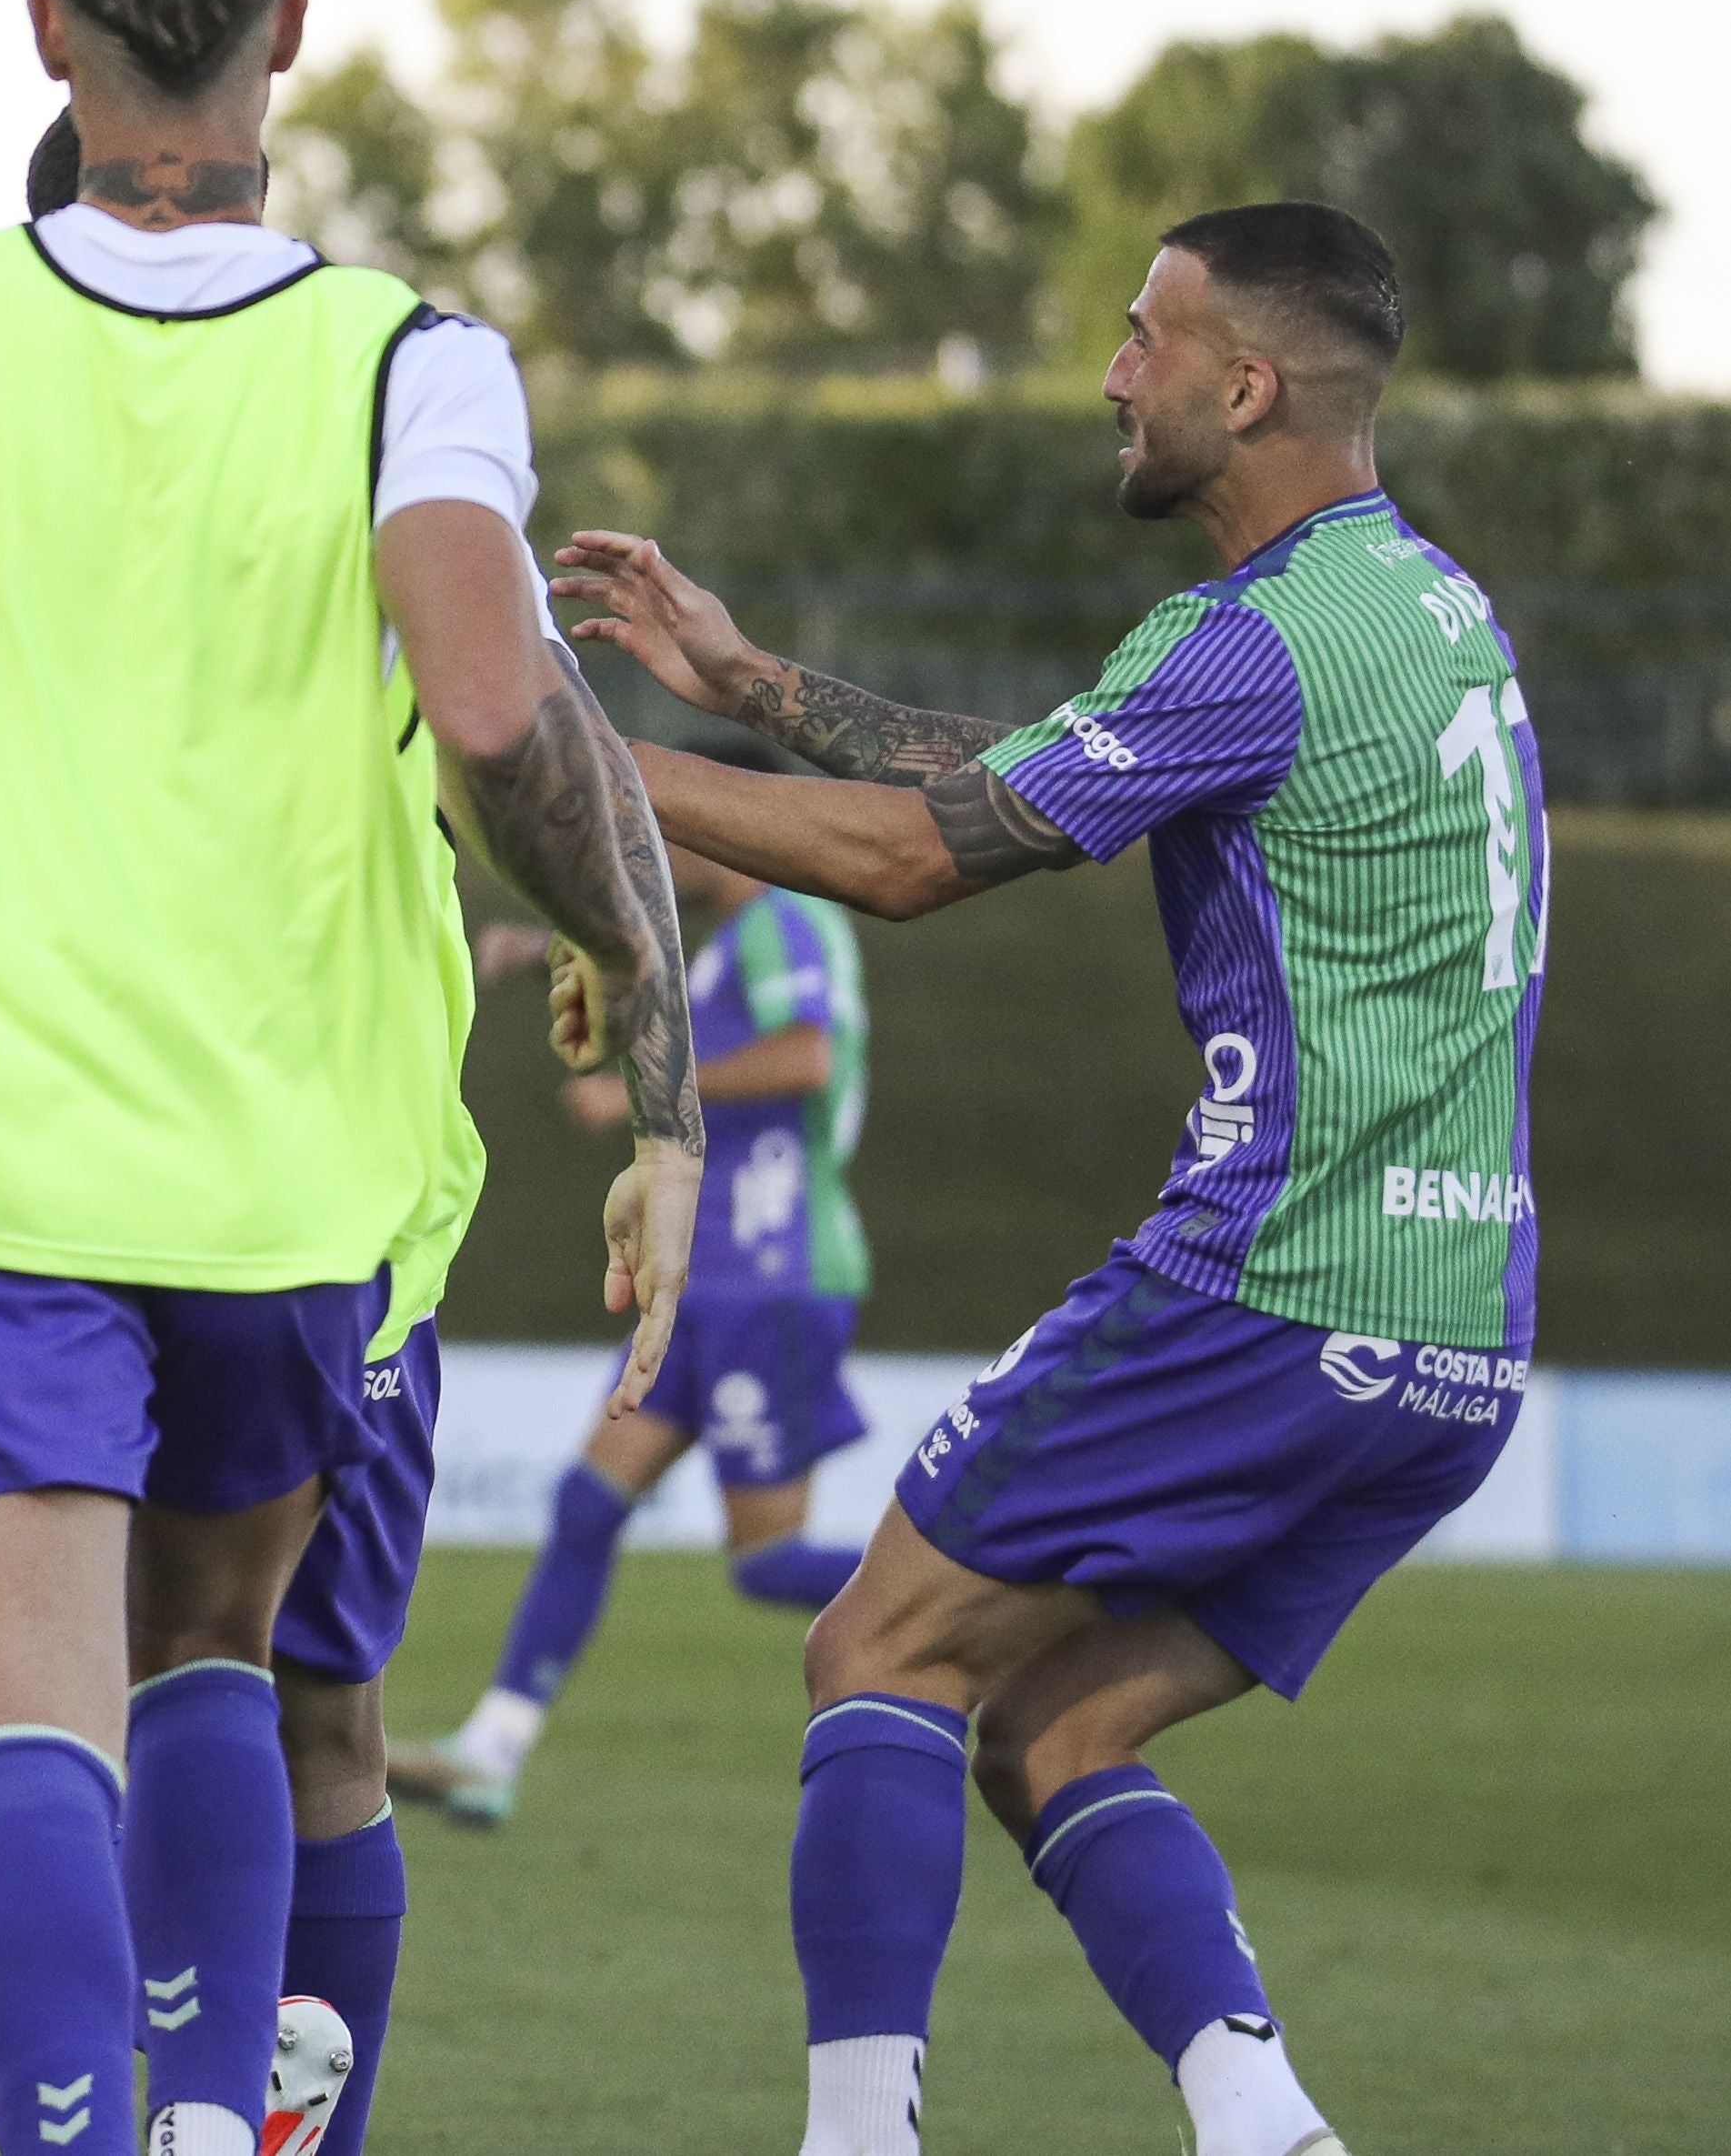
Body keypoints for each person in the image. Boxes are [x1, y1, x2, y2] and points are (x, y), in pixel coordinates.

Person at [0, 0, 700, 2156]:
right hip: (283, 1171)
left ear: (48, 31)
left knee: (34, 1715)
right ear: (292, 33)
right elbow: (498, 713)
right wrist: (660, 1087)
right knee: (220, 1664)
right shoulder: (406, 364)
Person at [553, 201, 1523, 2156]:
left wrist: (549, 746)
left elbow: (918, 860)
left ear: (1239, 383)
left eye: (1140, 336)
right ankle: (1268, 2129)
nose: (1108, 372)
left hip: (1267, 1283)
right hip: (1452, 1344)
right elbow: (1040, 770)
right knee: (1052, 1726)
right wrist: (745, 685)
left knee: (873, 1647)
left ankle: (851, 2137)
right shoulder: (1415, 605)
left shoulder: (1256, 634)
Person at [391, 808, 875, 1827]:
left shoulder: (787, 922)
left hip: (772, 1278)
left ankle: (1006, 1588)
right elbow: (649, 999)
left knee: (769, 1564)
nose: (655, 859)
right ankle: (491, 1750)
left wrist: (638, 1100)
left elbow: (804, 1060)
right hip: (708, 1281)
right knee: (585, 1505)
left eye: (669, 837)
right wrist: (541, 957)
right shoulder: (734, 947)